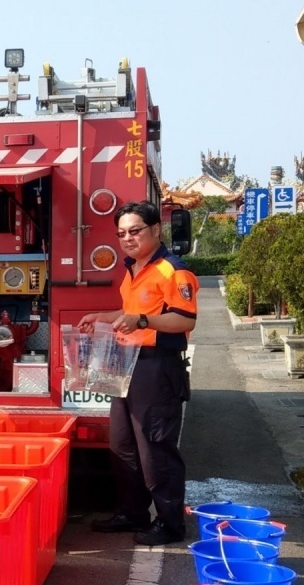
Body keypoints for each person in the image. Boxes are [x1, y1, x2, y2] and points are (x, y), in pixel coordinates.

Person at [78, 201, 197, 546]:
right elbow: (132, 312)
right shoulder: (134, 269)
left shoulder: (174, 271)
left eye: (135, 231)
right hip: (127, 363)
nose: (127, 238)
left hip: (157, 365)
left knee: (155, 447)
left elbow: (185, 319)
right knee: (123, 444)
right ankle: (132, 513)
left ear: (155, 230)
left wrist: (142, 321)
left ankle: (171, 523)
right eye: (121, 233)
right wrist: (103, 315)